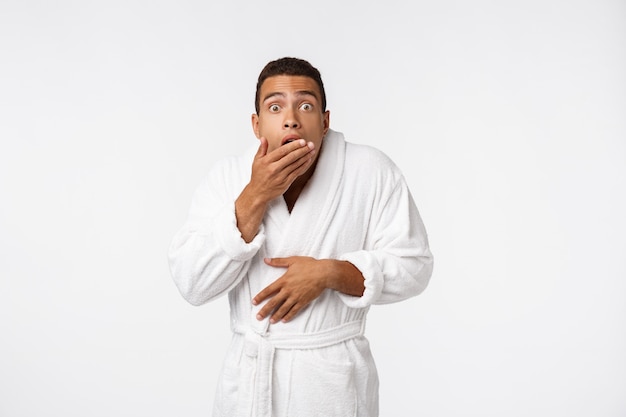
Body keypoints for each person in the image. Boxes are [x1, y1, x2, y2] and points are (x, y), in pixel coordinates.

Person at [168, 57, 434, 417]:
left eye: (305, 105)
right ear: (256, 124)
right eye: (275, 107)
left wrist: (332, 274)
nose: (291, 118)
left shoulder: (370, 171)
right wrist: (255, 195)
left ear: (325, 121)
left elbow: (414, 265)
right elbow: (191, 282)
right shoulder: (227, 178)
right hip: (247, 389)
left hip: (333, 388)